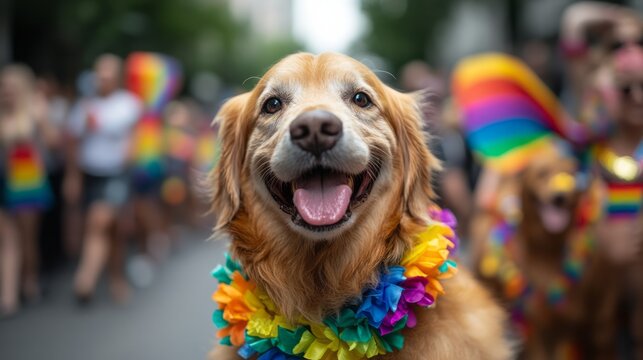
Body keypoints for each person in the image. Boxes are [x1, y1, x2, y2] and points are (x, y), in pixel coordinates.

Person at [65, 54, 142, 303]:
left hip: (116, 174)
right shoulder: (84, 107)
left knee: (101, 222)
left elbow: (133, 139)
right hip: (91, 174)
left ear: (117, 78)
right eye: (100, 75)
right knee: (107, 229)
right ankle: (113, 278)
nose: (104, 79)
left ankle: (86, 279)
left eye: (109, 75)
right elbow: (73, 144)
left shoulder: (128, 104)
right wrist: (73, 177)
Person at [0, 64, 55, 317]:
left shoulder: (34, 110)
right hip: (4, 180)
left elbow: (54, 142)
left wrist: (41, 120)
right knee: (7, 240)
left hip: (27, 182)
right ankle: (9, 296)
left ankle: (30, 280)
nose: (6, 92)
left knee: (27, 239)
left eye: (11, 88)